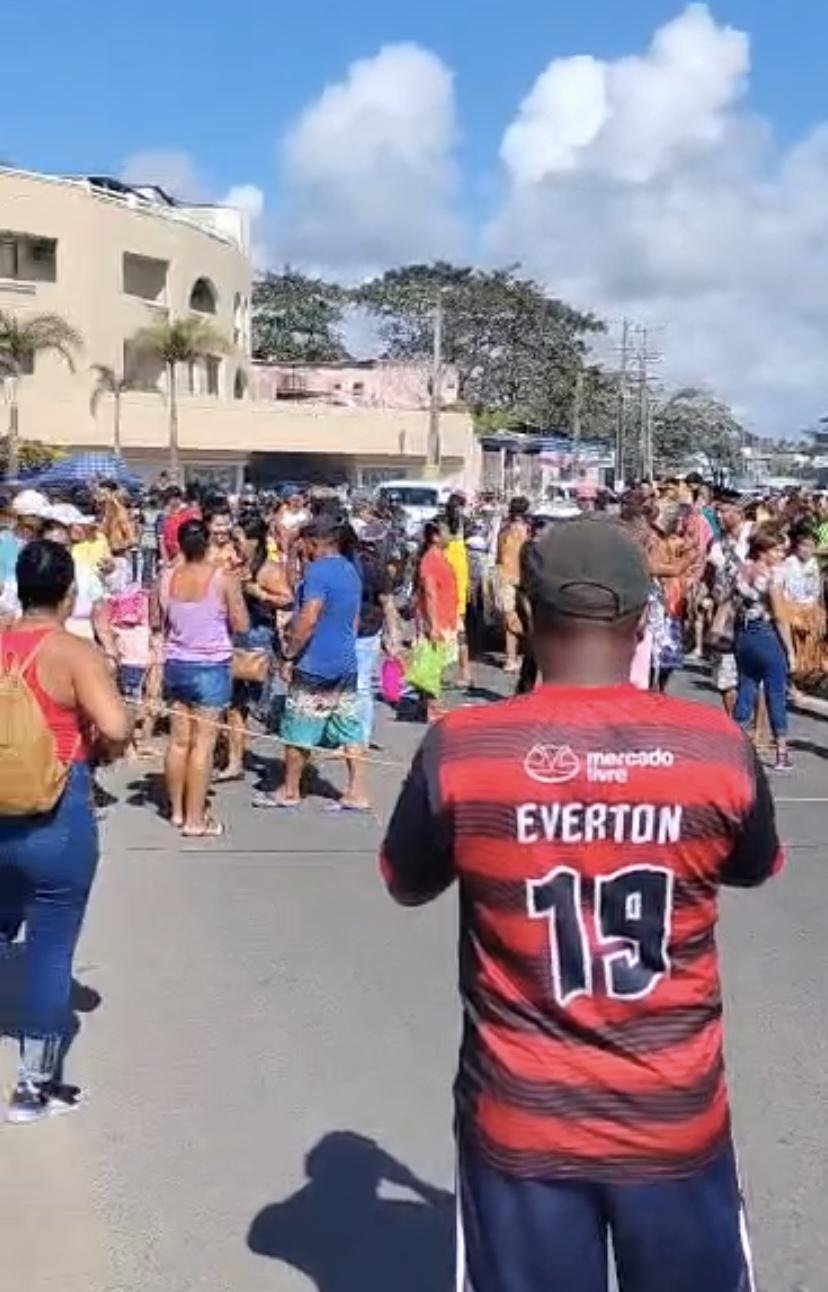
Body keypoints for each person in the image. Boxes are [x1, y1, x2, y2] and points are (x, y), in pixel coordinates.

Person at [381, 515, 782, 1292]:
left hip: (522, 1124)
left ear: (524, 616)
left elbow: (406, 880)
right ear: (643, 622)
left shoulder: (462, 747)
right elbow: (753, 865)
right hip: (674, 1118)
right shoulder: (715, 746)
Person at [0, 540, 130, 1123]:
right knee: (51, 948)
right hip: (56, 812)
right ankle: (33, 1088)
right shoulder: (74, 655)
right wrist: (103, 744)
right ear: (69, 594)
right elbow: (116, 727)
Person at [254, 514, 366, 812]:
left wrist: (290, 653)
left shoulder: (319, 573)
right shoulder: (349, 570)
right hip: (345, 660)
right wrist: (292, 554)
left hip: (315, 662)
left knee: (297, 727)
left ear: (315, 542)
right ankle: (357, 790)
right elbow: (351, 619)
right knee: (348, 726)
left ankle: (290, 789)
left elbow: (309, 616)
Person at [156, 519, 249, 836]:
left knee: (179, 741)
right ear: (208, 543)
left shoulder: (166, 577)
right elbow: (242, 624)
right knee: (203, 746)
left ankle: (178, 812)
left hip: (177, 662)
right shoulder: (221, 578)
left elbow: (157, 619)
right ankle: (196, 819)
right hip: (210, 665)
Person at [219, 514, 293, 782]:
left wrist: (258, 592)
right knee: (234, 704)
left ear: (253, 540)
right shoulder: (235, 565)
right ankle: (234, 761)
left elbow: (287, 599)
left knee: (261, 706)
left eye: (238, 538)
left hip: (258, 640)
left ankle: (292, 760)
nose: (234, 544)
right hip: (233, 639)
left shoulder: (269, 569)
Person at [733, 524, 794, 771]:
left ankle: (734, 744)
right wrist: (790, 650)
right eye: (777, 550)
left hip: (743, 635)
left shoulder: (742, 570)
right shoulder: (771, 576)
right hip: (766, 635)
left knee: (746, 687)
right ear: (764, 550)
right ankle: (781, 752)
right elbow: (780, 616)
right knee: (776, 693)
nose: (780, 555)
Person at [354, 521, 398, 748]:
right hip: (367, 630)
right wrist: (393, 635)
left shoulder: (348, 563)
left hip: (347, 630)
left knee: (347, 685)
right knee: (361, 686)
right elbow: (387, 603)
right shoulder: (378, 567)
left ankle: (349, 738)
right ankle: (360, 738)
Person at [413, 522, 458, 722]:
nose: (451, 536)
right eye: (447, 532)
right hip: (436, 618)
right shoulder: (430, 561)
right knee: (433, 665)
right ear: (435, 537)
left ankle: (426, 704)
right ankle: (432, 707)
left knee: (432, 663)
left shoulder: (439, 558)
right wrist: (433, 624)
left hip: (444, 616)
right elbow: (430, 593)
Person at [779, 521, 824, 678]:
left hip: (809, 608)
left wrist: (813, 610)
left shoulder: (814, 564)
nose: (806, 550)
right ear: (797, 545)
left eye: (810, 546)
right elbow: (783, 590)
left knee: (809, 646)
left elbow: (816, 591)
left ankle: (805, 676)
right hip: (791, 609)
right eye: (803, 545)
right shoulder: (788, 563)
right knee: (793, 643)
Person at [495, 497, 530, 674]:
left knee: (510, 619)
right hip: (524, 579)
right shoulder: (527, 531)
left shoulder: (503, 531)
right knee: (528, 618)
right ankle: (528, 658)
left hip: (505, 578)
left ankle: (510, 659)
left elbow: (498, 557)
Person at [441, 493, 472, 688]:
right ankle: (465, 672)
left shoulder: (441, 530)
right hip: (459, 586)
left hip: (445, 585)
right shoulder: (464, 527)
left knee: (440, 631)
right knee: (460, 631)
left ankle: (438, 672)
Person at [160, 484, 200, 564]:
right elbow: (162, 541)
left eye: (177, 497)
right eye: (171, 498)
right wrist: (166, 561)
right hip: (171, 557)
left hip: (185, 558)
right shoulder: (165, 517)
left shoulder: (189, 514)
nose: (174, 500)